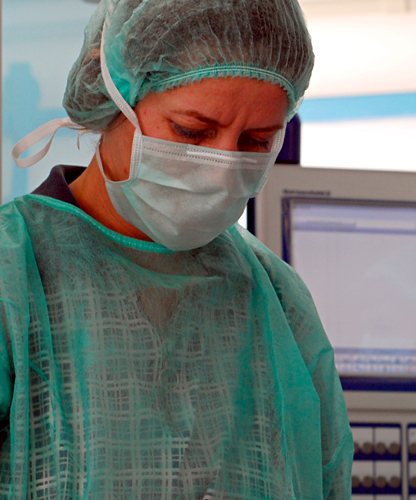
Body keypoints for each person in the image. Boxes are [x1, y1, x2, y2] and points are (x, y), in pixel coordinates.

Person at [2, 0, 353, 498]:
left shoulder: (276, 298)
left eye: (256, 141)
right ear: (113, 94)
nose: (221, 168)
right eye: (192, 131)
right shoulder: (14, 276)